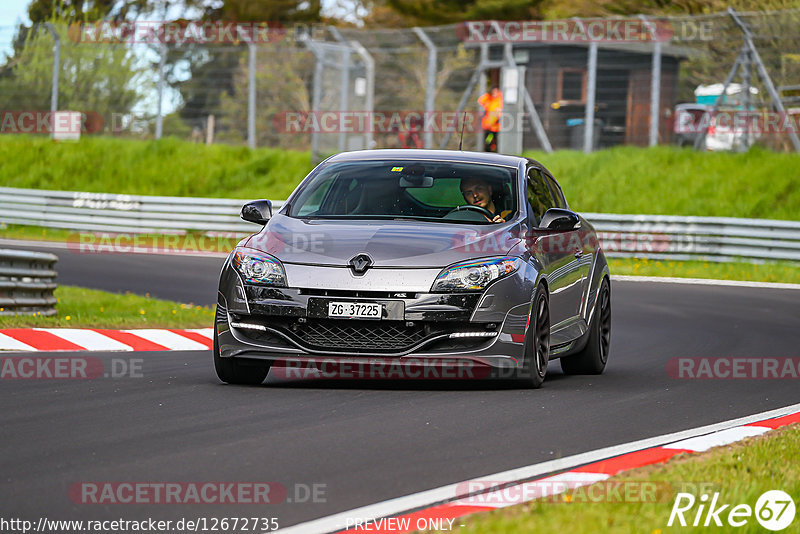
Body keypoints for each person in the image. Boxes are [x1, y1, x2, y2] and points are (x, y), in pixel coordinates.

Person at [478, 86, 502, 152]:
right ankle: (488, 149)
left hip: (495, 126)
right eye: (493, 92)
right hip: (488, 125)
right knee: (488, 140)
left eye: (496, 92)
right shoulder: (489, 99)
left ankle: (494, 149)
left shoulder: (499, 100)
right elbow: (481, 100)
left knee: (494, 139)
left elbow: (498, 113)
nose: (495, 93)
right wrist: (488, 95)